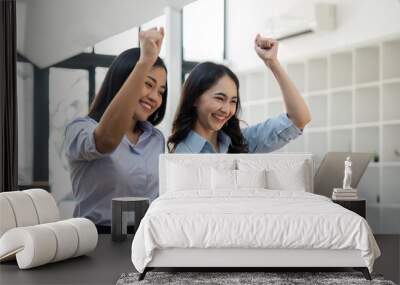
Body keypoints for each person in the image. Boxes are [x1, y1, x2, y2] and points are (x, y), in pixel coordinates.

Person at [64, 28, 167, 231]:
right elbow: (106, 141)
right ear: (124, 81)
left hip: (146, 238)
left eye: (161, 91)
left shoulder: (156, 138)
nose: (155, 97)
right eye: (148, 84)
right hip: (98, 239)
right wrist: (144, 61)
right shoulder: (80, 129)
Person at [168, 34, 311, 153]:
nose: (226, 109)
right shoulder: (182, 154)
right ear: (195, 98)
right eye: (219, 98)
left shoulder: (241, 142)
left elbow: (299, 119)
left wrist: (272, 62)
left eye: (233, 101)